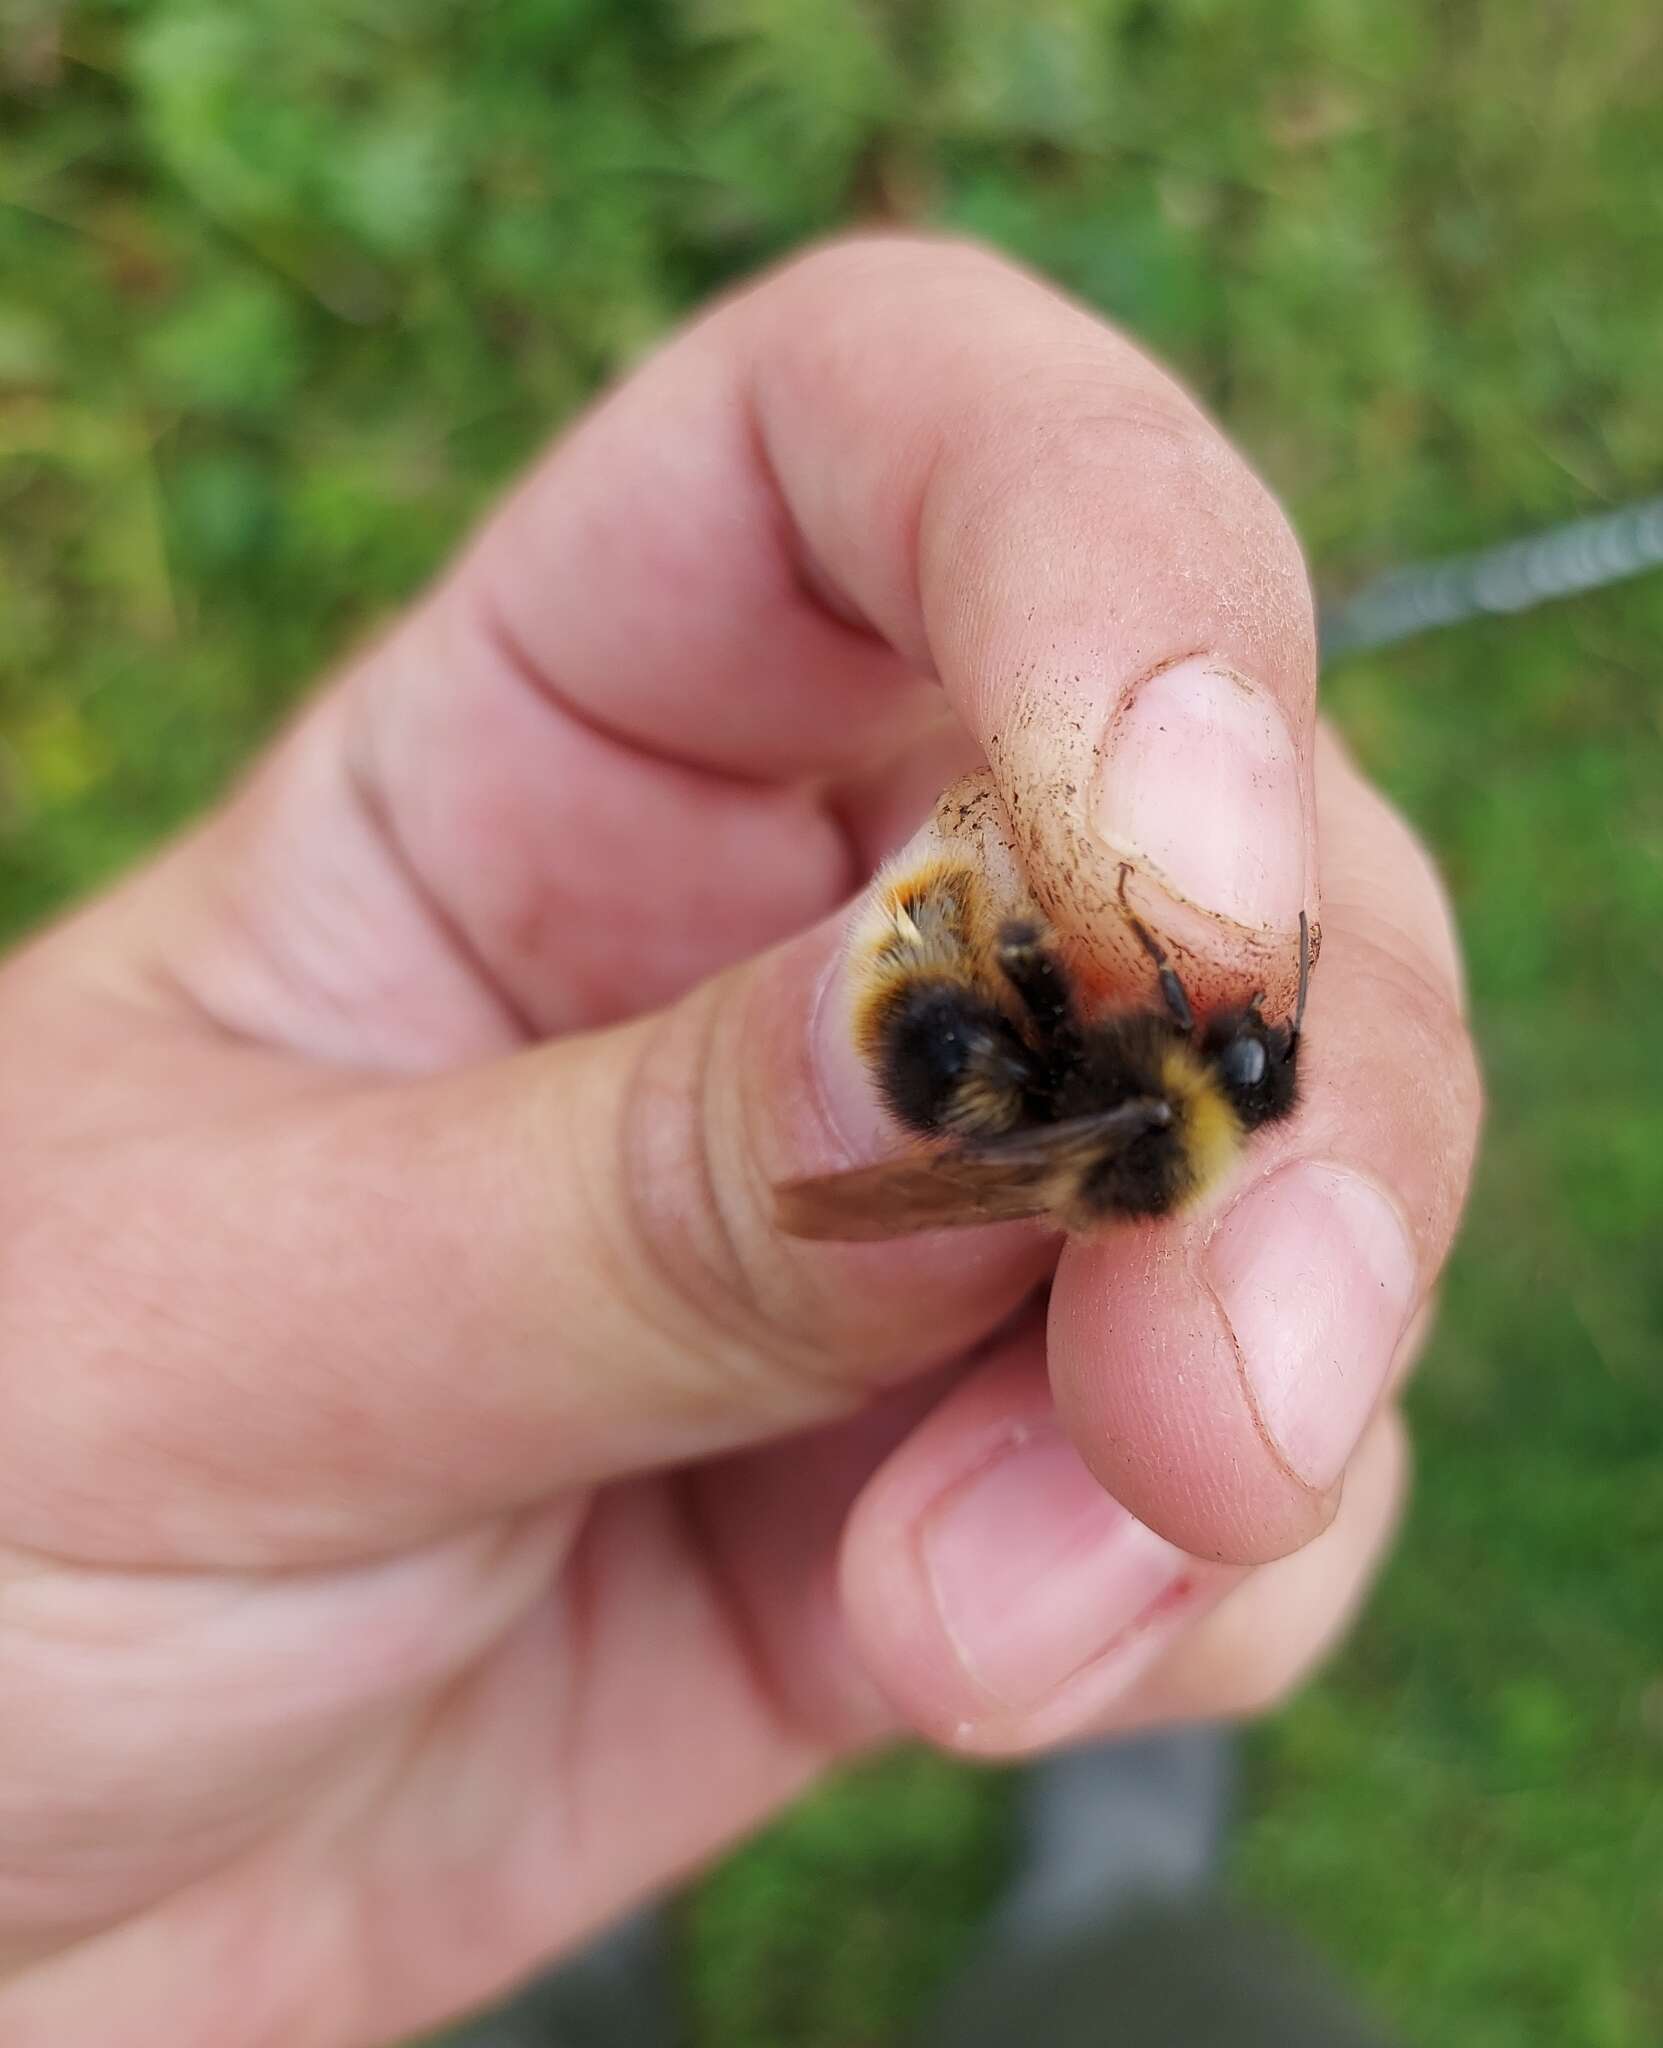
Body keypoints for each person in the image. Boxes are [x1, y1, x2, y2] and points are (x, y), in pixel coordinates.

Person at [0, 236, 1482, 2047]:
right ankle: (1115, 1917)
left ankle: (577, 1969)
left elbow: (1059, 1043)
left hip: (916, 1056)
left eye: (1226, 1051)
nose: (1231, 1040)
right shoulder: (1147, 1131)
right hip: (913, 1078)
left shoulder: (1135, 1105)